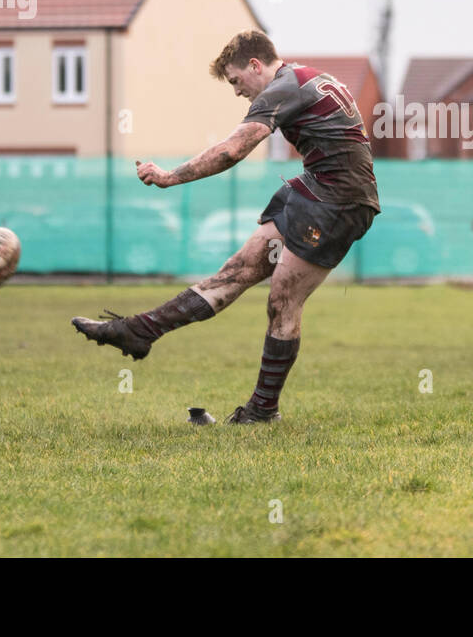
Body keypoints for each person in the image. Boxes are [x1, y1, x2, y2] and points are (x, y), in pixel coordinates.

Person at [70, 30, 380, 424]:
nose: (237, 92)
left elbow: (232, 150)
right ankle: (138, 331)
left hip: (337, 202)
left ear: (255, 65)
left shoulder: (283, 87)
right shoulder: (303, 78)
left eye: (236, 81)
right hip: (316, 191)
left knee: (282, 301)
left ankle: (263, 411)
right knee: (236, 272)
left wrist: (169, 177)